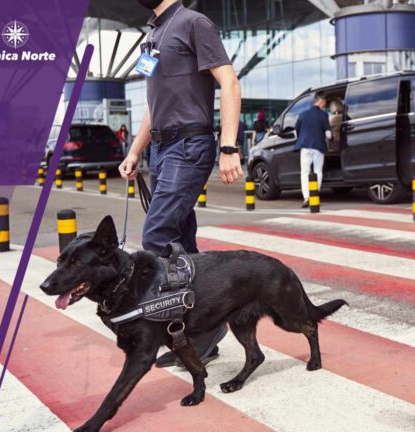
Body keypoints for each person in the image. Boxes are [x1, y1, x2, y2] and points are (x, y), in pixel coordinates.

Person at [118, 0, 243, 368]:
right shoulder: (153, 34)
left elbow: (229, 82)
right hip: (160, 147)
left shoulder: (193, 23)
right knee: (181, 244)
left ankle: (196, 328)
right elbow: (154, 105)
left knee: (156, 237)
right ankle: (203, 331)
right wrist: (136, 150)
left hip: (189, 144)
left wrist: (229, 146)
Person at [294, 93, 331, 208]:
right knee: (317, 171)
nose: (325, 106)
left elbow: (297, 132)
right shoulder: (324, 115)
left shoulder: (302, 114)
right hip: (319, 147)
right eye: (324, 104)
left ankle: (306, 197)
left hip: (305, 147)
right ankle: (314, 194)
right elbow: (328, 134)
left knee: (304, 172)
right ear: (320, 102)